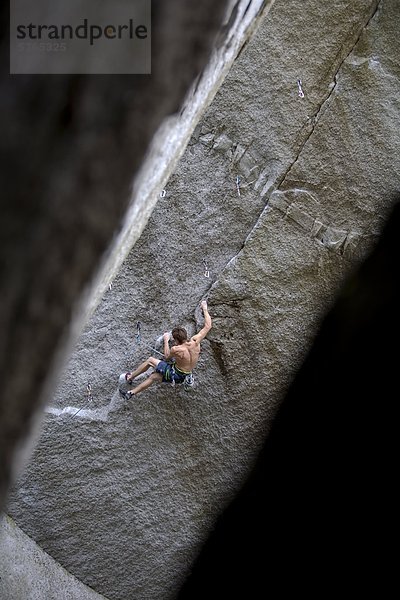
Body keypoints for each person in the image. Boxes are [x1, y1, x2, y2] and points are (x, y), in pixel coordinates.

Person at [122, 300, 212, 398]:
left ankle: (130, 377)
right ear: (186, 336)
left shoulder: (176, 349)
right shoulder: (196, 341)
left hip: (175, 373)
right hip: (184, 376)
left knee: (150, 361)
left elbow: (167, 357)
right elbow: (208, 326)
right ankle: (130, 393)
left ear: (176, 340)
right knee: (154, 376)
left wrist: (166, 340)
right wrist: (205, 308)